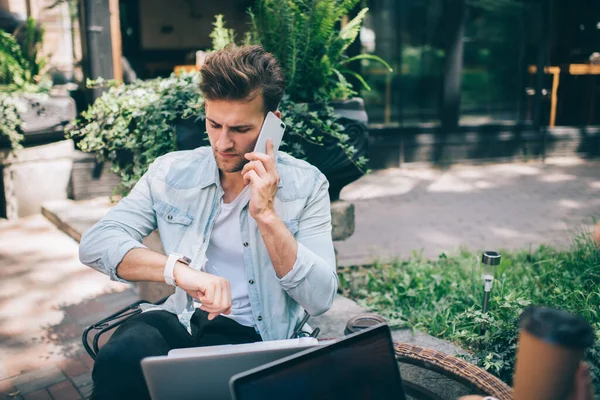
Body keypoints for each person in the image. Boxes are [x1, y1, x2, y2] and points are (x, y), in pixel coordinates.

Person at [78, 45, 338, 400]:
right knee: (122, 354)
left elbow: (321, 297)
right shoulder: (170, 172)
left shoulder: (308, 185)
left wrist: (266, 215)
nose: (223, 141)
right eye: (214, 124)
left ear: (272, 125)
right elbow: (97, 242)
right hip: (187, 325)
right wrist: (179, 271)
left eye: (240, 128)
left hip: (266, 340)